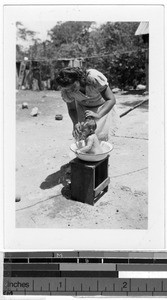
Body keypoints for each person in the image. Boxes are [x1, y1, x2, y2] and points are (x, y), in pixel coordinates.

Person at [56, 67, 119, 141]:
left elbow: (111, 99)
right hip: (83, 109)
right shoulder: (67, 91)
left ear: (78, 79)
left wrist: (98, 115)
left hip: (102, 108)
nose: (71, 90)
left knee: (101, 137)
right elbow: (72, 109)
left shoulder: (93, 78)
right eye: (68, 89)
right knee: (83, 137)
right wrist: (75, 123)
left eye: (73, 87)